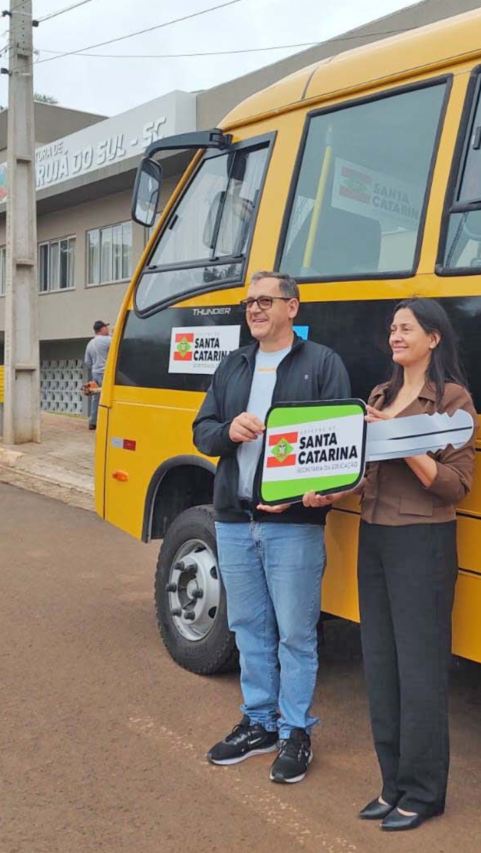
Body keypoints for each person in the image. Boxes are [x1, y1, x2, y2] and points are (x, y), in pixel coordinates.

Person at [306, 298, 476, 830]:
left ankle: (424, 792)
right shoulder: (380, 395)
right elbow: (364, 472)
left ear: (434, 338)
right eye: (393, 328)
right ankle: (392, 783)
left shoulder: (451, 400)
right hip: (375, 536)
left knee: (419, 669)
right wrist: (329, 493)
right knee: (379, 664)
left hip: (423, 542)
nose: (395, 335)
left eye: (407, 328)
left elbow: (454, 486)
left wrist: (399, 439)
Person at [192, 271, 350, 784]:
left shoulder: (322, 363)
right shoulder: (233, 364)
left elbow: (336, 442)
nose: (254, 309)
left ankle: (295, 731)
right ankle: (258, 722)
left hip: (294, 526)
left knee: (297, 635)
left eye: (265, 300)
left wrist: (312, 494)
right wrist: (227, 431)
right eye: (249, 302)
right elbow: (202, 431)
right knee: (248, 629)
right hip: (236, 520)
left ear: (293, 308)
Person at [84, 321, 112, 430]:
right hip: (106, 373)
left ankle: (93, 422)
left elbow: (87, 362)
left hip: (95, 373)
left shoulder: (90, 343)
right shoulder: (108, 340)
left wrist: (95, 368)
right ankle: (107, 422)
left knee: (96, 398)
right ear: (102, 329)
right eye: (106, 327)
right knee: (108, 397)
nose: (108, 329)